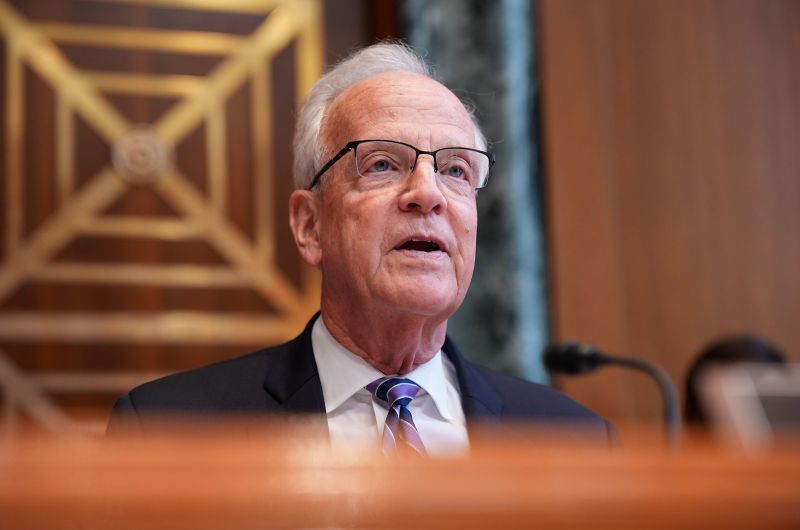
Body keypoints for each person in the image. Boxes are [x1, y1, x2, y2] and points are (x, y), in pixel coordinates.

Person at [108, 42, 613, 454]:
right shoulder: (170, 432)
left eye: (455, 169)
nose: (428, 193)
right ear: (310, 226)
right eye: (382, 165)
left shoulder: (575, 439)